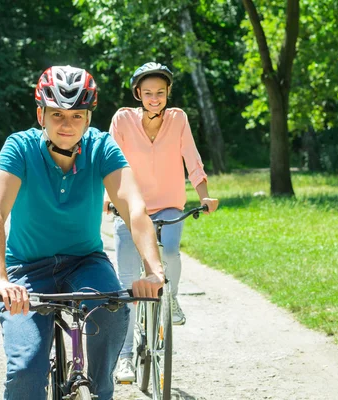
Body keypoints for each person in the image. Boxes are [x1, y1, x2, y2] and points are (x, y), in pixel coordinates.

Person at [0, 65, 165, 400]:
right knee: (25, 370)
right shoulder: (19, 148)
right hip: (26, 270)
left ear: (88, 118)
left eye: (77, 116)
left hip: (84, 262)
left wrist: (153, 271)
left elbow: (134, 210)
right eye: (58, 115)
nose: (68, 125)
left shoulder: (102, 147)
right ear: (41, 114)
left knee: (111, 311)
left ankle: (98, 390)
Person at [104, 62, 219, 383]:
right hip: (131, 207)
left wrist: (205, 195)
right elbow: (109, 160)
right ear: (138, 94)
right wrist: (107, 196)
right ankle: (124, 358)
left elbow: (192, 159)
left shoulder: (178, 119)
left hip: (169, 205)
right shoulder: (123, 120)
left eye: (160, 93)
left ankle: (172, 299)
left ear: (168, 93)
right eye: (148, 93)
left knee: (169, 254)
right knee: (127, 281)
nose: (154, 98)